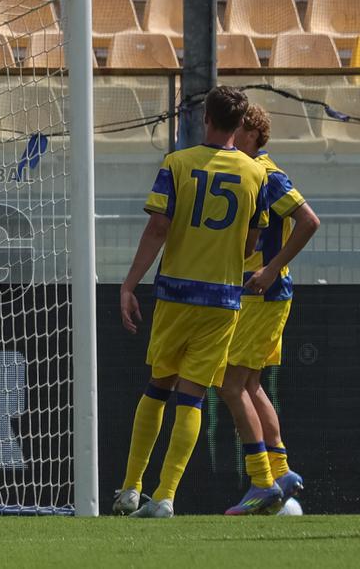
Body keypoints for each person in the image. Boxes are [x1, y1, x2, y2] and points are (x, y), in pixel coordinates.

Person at [113, 87, 269, 518]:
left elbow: (158, 230)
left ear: (205, 118)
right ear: (239, 125)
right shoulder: (256, 175)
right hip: (222, 298)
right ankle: (165, 496)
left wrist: (129, 284)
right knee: (193, 397)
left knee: (158, 386)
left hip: (177, 292)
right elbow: (254, 241)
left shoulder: (177, 164)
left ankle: (130, 488)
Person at [220, 104, 320, 515]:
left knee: (228, 384)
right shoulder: (250, 171)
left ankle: (261, 480)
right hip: (262, 294)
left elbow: (309, 221)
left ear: (250, 133)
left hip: (264, 293)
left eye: (236, 131)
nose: (230, 138)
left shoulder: (267, 173)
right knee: (249, 386)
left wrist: (270, 269)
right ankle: (280, 471)